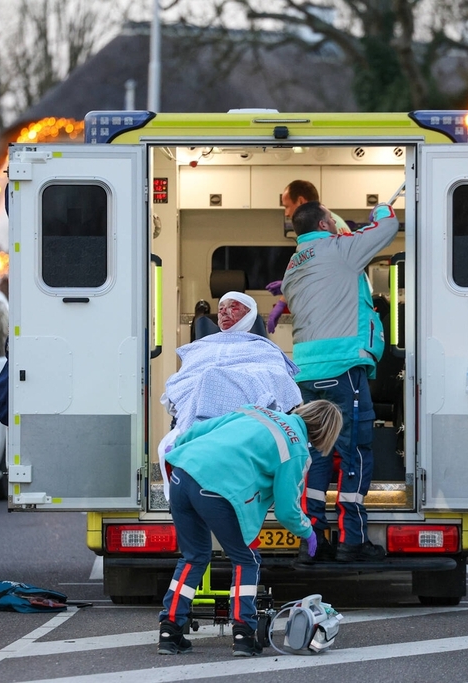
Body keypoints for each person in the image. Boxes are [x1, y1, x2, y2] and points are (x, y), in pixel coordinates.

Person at [157, 400, 343, 657]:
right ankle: (243, 634)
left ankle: (169, 631)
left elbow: (197, 431)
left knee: (194, 557)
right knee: (246, 559)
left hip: (182, 474)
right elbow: (287, 510)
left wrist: (181, 452)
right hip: (215, 492)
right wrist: (308, 532)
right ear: (325, 433)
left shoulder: (256, 412)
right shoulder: (296, 449)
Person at [281, 200, 399, 562]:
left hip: (305, 374)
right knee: (354, 451)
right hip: (342, 370)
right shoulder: (340, 249)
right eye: (332, 220)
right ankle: (352, 540)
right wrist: (381, 209)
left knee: (316, 454)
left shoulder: (294, 265)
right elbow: (387, 227)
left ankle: (312, 539)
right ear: (322, 223)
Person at [158, 291, 302, 500]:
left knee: (214, 376)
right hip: (200, 406)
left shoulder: (264, 349)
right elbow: (183, 380)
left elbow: (278, 378)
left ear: (249, 313)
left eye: (233, 307)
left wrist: (236, 379)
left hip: (248, 419)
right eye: (221, 308)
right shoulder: (201, 347)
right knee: (208, 376)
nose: (224, 312)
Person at [268, 180, 353, 333]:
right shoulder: (319, 226)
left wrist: (287, 294)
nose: (286, 213)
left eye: (287, 206)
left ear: (300, 201)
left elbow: (326, 272)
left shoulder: (327, 226)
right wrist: (289, 285)